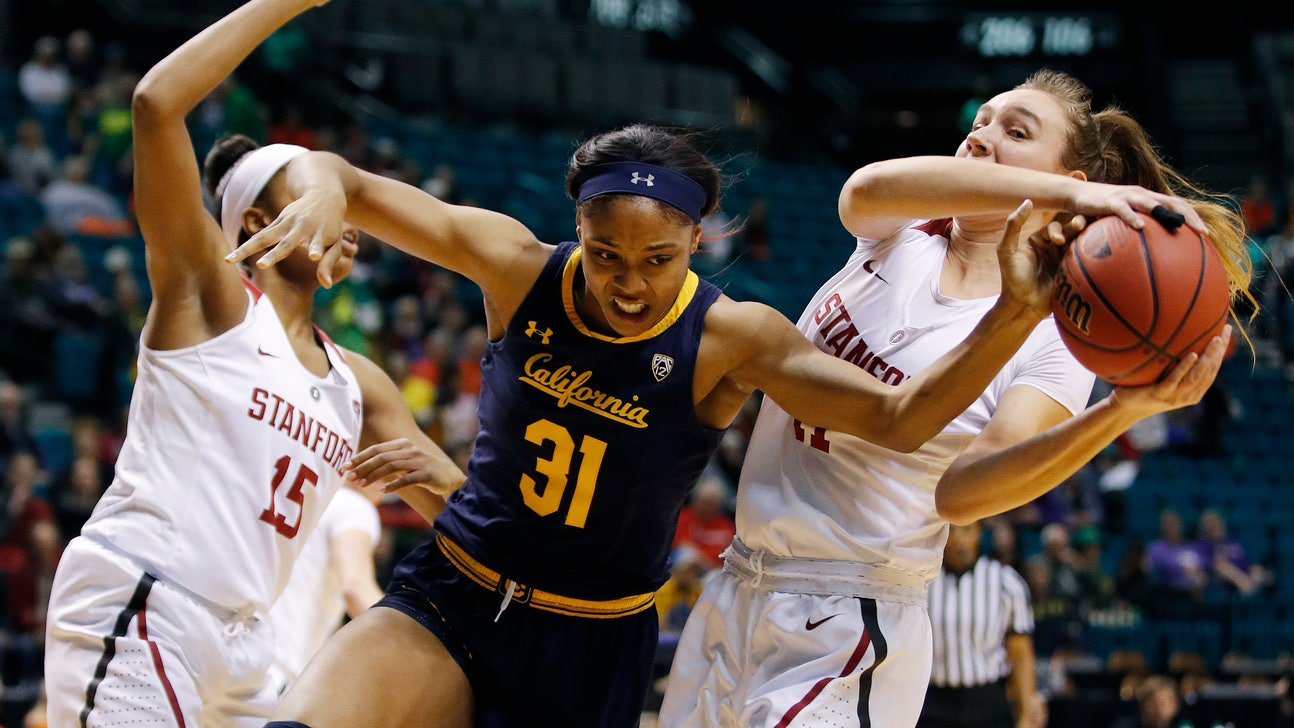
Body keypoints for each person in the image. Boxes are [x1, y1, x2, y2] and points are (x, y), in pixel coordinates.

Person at [229, 9, 1086, 725]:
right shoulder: (517, 268)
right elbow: (344, 176)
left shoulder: (733, 336)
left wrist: (1022, 312)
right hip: (456, 592)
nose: (630, 284)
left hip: (595, 640)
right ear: (576, 229)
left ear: (698, 243)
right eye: (606, 255)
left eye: (659, 259)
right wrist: (324, 179)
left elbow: (904, 422)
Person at [660, 68, 1249, 728]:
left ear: (1072, 183)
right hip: (740, 584)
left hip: (849, 619)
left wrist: (1122, 411)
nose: (982, 135)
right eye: (981, 122)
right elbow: (863, 189)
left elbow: (962, 494)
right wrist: (1066, 193)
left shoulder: (1050, 336)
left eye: (1015, 130)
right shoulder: (902, 232)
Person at [41, 0, 466, 724]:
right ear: (262, 222)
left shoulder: (360, 381)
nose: (344, 212)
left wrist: (457, 487)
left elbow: (467, 524)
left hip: (248, 648)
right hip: (149, 601)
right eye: (316, 192)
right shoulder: (211, 297)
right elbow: (154, 104)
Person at [917, 520, 1043, 728]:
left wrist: (1026, 712)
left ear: (979, 533)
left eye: (966, 530)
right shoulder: (921, 581)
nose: (957, 539)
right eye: (951, 531)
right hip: (931, 701)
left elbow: (1020, 654)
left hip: (987, 700)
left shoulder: (1006, 582)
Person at [266, 478, 385, 694]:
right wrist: (413, 634)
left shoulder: (300, 492)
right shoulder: (355, 506)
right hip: (276, 674)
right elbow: (355, 588)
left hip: (235, 650)